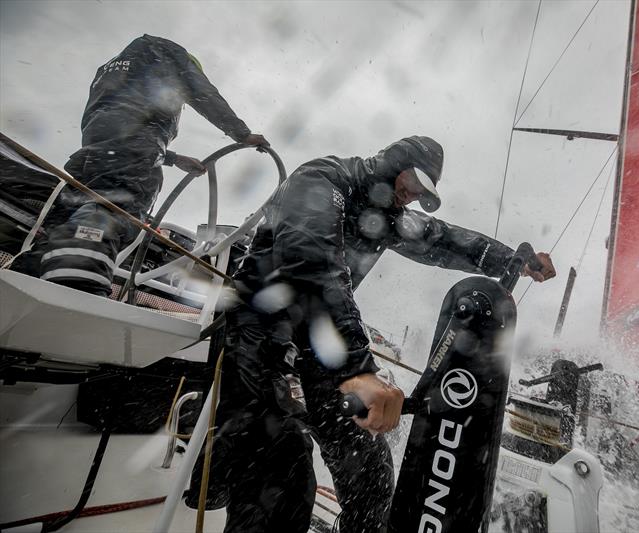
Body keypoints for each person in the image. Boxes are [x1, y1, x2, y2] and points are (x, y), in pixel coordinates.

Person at [213, 135, 556, 533]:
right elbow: (313, 264)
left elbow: (446, 239)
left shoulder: (386, 218)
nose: (409, 197)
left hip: (319, 345)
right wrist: (359, 367)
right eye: (410, 183)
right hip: (260, 333)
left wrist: (513, 260)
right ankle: (222, 466)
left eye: (419, 193)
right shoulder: (323, 179)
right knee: (282, 475)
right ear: (393, 162)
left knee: (371, 473)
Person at [18, 34, 268, 295]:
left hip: (93, 151)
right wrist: (242, 134)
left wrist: (172, 158)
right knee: (114, 208)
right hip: (135, 148)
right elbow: (202, 92)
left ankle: (26, 274)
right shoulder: (169, 53)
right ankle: (77, 286)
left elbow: (120, 125)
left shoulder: (111, 70)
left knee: (73, 210)